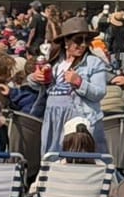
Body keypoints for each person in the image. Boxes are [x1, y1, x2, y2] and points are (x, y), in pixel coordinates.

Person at [38, 18, 109, 153]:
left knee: (77, 155)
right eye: (78, 40)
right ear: (66, 41)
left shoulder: (94, 62)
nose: (83, 45)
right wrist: (36, 78)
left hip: (79, 115)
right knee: (51, 155)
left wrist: (79, 82)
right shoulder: (55, 62)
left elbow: (99, 92)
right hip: (52, 117)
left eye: (86, 40)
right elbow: (38, 87)